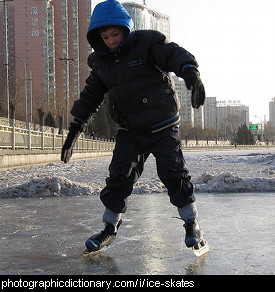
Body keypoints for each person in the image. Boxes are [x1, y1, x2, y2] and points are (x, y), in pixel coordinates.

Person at [61, 0, 206, 253]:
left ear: (126, 29)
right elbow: (90, 96)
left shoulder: (146, 44)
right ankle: (109, 227)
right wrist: (75, 128)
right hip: (131, 130)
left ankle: (192, 224)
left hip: (163, 125)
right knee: (119, 176)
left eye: (115, 33)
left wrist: (190, 71)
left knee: (174, 173)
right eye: (104, 36)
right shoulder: (102, 63)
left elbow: (171, 54)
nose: (110, 40)